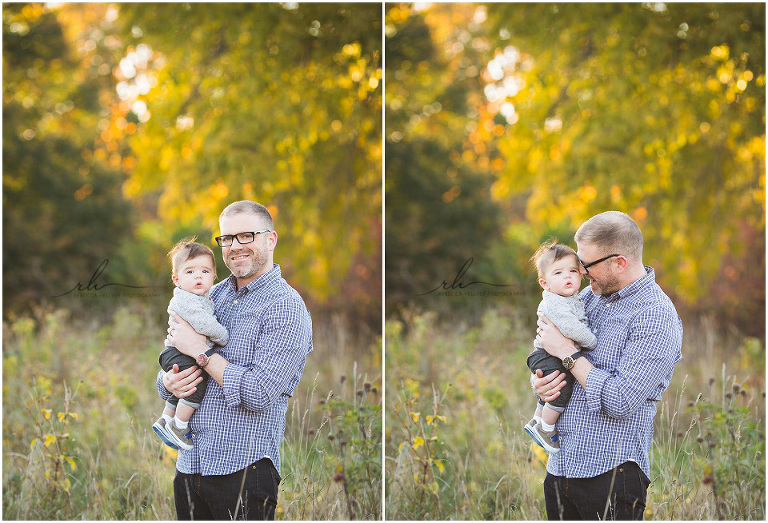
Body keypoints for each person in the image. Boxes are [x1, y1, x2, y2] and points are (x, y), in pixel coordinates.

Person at [157, 200, 313, 520]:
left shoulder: (285, 307)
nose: (234, 246)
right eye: (227, 238)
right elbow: (173, 360)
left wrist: (202, 352)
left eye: (246, 236)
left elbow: (258, 393)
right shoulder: (210, 294)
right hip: (190, 466)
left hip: (243, 471)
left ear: (270, 240)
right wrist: (167, 381)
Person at [532, 211, 682, 520]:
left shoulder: (655, 316)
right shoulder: (588, 298)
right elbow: (549, 348)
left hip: (611, 475)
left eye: (587, 265)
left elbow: (620, 400)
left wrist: (569, 356)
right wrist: (541, 383)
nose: (582, 273)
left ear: (619, 262)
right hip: (562, 469)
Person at [153, 239, 229, 451]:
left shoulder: (204, 297)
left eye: (204, 271)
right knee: (196, 384)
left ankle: (165, 419)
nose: (198, 276)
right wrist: (222, 336)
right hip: (177, 353)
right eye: (189, 272)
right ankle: (179, 426)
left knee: (185, 383)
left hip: (176, 353)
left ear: (214, 277)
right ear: (176, 279)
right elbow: (204, 324)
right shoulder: (188, 300)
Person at [524, 241, 597, 453]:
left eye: (573, 271)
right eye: (558, 273)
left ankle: (537, 421)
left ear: (581, 273)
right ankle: (546, 429)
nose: (567, 276)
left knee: (552, 388)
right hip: (546, 355)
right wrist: (590, 341)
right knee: (561, 391)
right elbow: (571, 328)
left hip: (547, 355)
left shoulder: (572, 298)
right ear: (544, 283)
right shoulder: (555, 302)